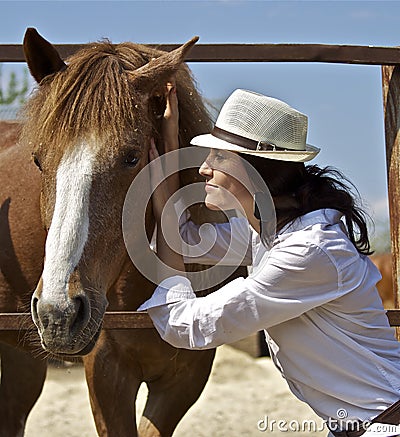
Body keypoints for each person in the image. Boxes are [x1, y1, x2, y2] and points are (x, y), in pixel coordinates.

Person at [139, 84, 400, 437]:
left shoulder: (309, 251)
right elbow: (184, 240)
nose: (203, 168)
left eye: (219, 157)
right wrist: (168, 158)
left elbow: (192, 325)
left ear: (255, 169)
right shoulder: (269, 234)